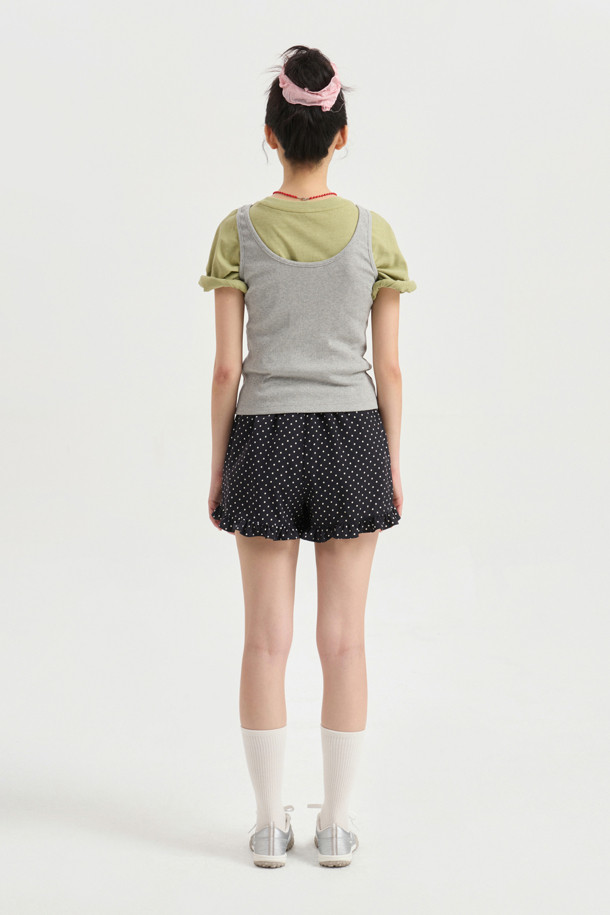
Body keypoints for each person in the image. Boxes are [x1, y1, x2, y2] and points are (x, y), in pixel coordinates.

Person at [198, 45, 417, 868]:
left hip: (263, 435)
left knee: (265, 639)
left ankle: (265, 825)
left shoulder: (237, 231)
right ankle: (334, 825)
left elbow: (226, 368)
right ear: (341, 136)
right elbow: (389, 366)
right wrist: (391, 461)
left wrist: (220, 465)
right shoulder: (374, 233)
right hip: (352, 434)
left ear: (270, 134)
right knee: (345, 640)